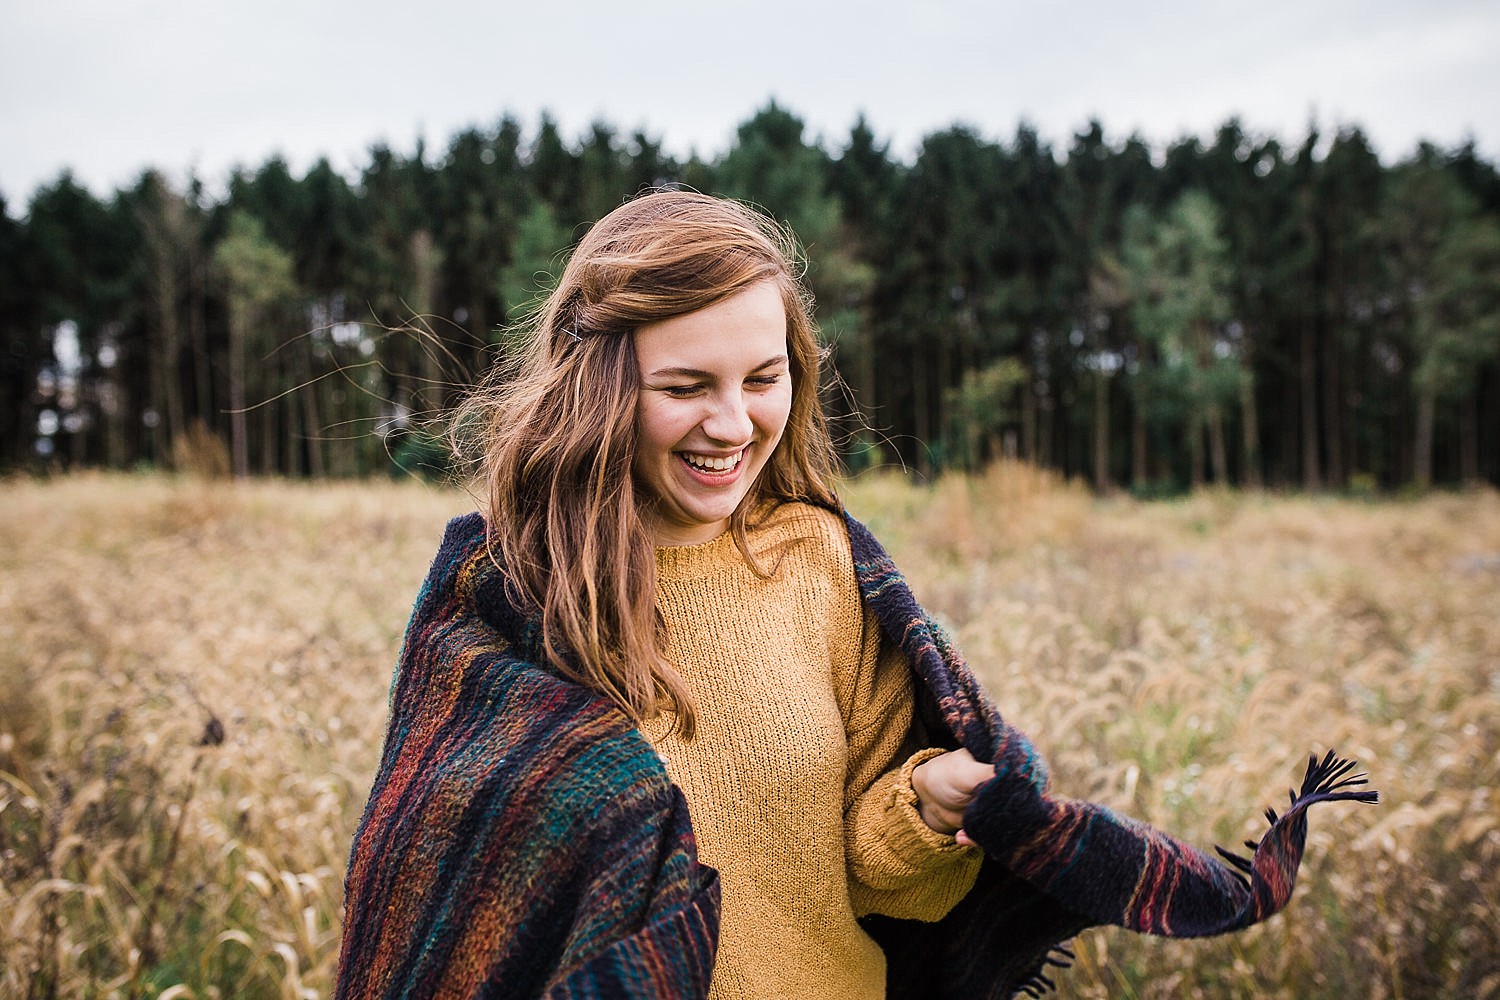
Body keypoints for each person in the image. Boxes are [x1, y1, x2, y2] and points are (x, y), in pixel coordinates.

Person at [336, 191, 1377, 999]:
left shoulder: (821, 563)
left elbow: (879, 873)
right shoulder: (510, 598)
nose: (736, 423)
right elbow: (451, 912)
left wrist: (928, 805)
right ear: (601, 387)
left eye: (765, 375)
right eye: (687, 386)